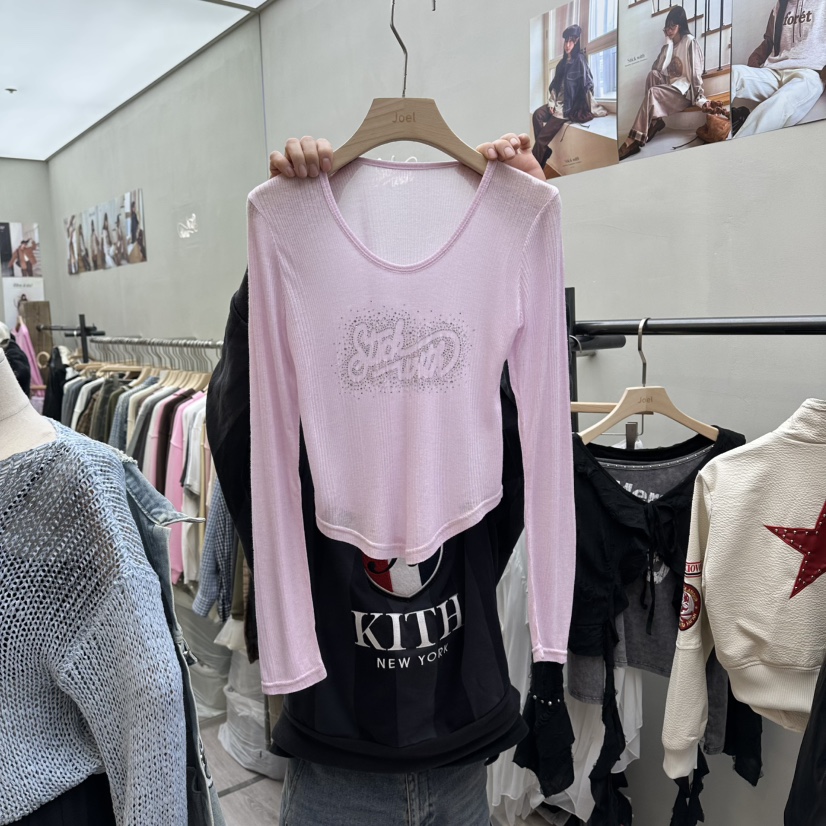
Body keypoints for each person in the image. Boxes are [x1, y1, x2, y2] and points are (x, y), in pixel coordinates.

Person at [260, 133, 552, 826]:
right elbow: (250, 443)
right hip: (337, 751)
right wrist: (279, 254)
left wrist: (520, 230)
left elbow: (528, 446)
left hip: (461, 742)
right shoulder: (296, 340)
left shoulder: (476, 406)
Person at [619, 6, 709, 160]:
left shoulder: (690, 42)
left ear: (681, 25)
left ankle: (633, 139)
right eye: (667, 27)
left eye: (672, 26)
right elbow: (657, 68)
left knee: (653, 92)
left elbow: (695, 73)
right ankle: (655, 122)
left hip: (684, 92)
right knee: (652, 75)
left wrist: (700, 98)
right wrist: (667, 45)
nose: (669, 30)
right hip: (672, 87)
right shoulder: (670, 44)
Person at [731, 0, 826, 138]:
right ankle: (720, 127)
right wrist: (756, 60)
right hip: (774, 70)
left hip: (810, 73)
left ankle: (736, 145)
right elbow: (769, 41)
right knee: (733, 73)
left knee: (781, 102)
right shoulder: (780, 5)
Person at [531, 24, 607, 171]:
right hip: (556, 104)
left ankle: (533, 171)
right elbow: (555, 86)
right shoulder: (561, 64)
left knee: (540, 141)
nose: (567, 45)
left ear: (576, 42)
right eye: (566, 41)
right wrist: (551, 103)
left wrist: (595, 108)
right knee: (537, 115)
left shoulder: (580, 60)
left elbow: (587, 85)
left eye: (571, 41)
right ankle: (544, 151)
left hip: (567, 109)